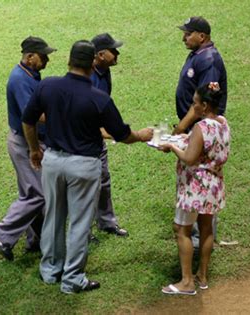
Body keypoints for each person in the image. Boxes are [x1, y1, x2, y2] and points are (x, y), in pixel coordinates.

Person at [22, 40, 153, 294]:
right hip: (83, 166)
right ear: (92, 64)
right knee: (80, 223)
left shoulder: (47, 86)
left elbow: (27, 120)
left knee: (53, 217)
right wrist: (142, 135)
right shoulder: (98, 98)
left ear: (69, 61)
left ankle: (50, 271)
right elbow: (121, 134)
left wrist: (34, 149)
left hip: (53, 161)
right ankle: (72, 279)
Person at [0, 36, 56, 261]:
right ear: (29, 56)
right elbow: (35, 116)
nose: (46, 60)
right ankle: (2, 234)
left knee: (36, 192)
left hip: (30, 141)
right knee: (38, 193)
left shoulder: (31, 75)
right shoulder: (19, 80)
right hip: (25, 143)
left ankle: (36, 241)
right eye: (43, 56)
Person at [159, 82, 230, 295]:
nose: (194, 107)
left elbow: (190, 158)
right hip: (214, 185)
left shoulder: (201, 127)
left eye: (196, 103)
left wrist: (171, 146)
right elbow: (205, 146)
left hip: (194, 188)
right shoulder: (222, 122)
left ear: (205, 105)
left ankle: (187, 282)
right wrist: (185, 139)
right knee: (207, 228)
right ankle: (202, 275)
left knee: (181, 229)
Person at [173, 16, 228, 246]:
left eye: (188, 33)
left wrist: (182, 128)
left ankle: (200, 236)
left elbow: (203, 105)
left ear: (202, 36)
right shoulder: (200, 54)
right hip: (196, 126)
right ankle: (198, 234)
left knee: (201, 176)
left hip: (202, 128)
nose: (184, 37)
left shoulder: (210, 61)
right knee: (195, 175)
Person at [90, 33, 128, 239]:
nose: (117, 53)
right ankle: (85, 231)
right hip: (84, 140)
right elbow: (81, 113)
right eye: (113, 51)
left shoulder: (104, 72)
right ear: (100, 54)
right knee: (88, 186)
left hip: (99, 138)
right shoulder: (87, 76)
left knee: (103, 180)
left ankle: (106, 222)